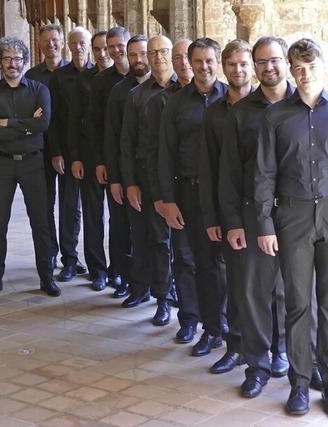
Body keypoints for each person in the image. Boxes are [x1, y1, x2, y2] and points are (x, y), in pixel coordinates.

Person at [254, 38, 328, 416]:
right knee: (299, 304)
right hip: (293, 218)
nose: (304, 73)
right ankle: (299, 383)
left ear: (322, 65)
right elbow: (264, 173)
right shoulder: (276, 116)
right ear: (290, 68)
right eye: (298, 66)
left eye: (311, 65)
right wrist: (265, 223)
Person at [219, 36, 292, 397]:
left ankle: (287, 355)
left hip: (296, 214)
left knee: (291, 291)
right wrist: (233, 220)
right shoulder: (242, 111)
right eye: (261, 62)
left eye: (274, 60)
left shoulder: (303, 105)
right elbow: (229, 171)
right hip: (250, 213)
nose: (269, 67)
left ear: (286, 62)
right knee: (253, 293)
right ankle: (258, 364)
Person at [158, 38, 227, 357]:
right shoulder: (176, 101)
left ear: (218, 61)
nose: (203, 66)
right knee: (187, 259)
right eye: (197, 61)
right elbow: (165, 152)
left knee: (221, 264)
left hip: (222, 194)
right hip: (186, 191)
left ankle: (222, 325)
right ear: (189, 62)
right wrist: (168, 199)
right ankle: (193, 321)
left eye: (209, 60)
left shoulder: (230, 98)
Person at [0, 36, 58, 297]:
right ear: (0, 62)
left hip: (33, 163)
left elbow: (43, 124)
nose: (12, 63)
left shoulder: (39, 90)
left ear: (25, 61)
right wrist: (25, 124)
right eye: (7, 58)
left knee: (41, 222)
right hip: (1, 164)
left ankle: (46, 277)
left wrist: (7, 123)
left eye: (17, 58)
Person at [198, 40, 254, 375]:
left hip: (263, 210)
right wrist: (212, 215)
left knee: (268, 286)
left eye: (243, 64)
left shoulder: (269, 108)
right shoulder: (214, 112)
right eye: (231, 64)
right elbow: (208, 167)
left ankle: (273, 348)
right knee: (233, 282)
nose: (237, 70)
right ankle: (235, 346)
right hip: (227, 208)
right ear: (224, 66)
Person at [119, 35, 177, 322]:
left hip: (182, 178)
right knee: (155, 239)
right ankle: (162, 298)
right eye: (152, 52)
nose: (158, 57)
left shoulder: (185, 90)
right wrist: (130, 182)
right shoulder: (137, 95)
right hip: (148, 177)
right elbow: (127, 142)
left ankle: (181, 295)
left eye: (163, 51)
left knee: (182, 244)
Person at [146, 39, 199, 345]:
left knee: (213, 262)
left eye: (183, 56)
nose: (181, 62)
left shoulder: (221, 96)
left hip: (212, 193)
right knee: (182, 257)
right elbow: (157, 152)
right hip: (177, 190)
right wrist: (162, 196)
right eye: (176, 57)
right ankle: (187, 318)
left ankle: (217, 322)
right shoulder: (164, 101)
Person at [104, 34, 150, 304]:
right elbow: (112, 136)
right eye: (133, 55)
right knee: (126, 228)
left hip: (158, 174)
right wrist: (115, 177)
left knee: (157, 236)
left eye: (142, 54)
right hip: (127, 170)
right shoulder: (120, 91)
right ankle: (133, 282)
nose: (138, 60)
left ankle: (164, 289)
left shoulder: (168, 89)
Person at [68, 30, 112, 291]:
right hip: (89, 154)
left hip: (115, 157)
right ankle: (98, 269)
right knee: (93, 215)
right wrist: (75, 157)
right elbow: (74, 121)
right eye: (97, 49)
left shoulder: (127, 80)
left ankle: (120, 268)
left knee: (118, 219)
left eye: (106, 47)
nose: (103, 53)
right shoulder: (83, 80)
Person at [48, 26, 92, 281]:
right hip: (67, 149)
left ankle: (99, 264)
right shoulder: (59, 77)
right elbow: (53, 120)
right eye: (74, 43)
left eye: (82, 43)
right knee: (69, 207)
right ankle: (70, 260)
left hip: (94, 152)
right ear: (68, 45)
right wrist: (56, 152)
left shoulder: (100, 75)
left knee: (94, 210)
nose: (78, 47)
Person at [24, 24, 69, 275]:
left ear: (61, 42)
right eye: (45, 41)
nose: (50, 44)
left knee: (70, 206)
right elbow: (31, 115)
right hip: (41, 150)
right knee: (45, 205)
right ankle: (50, 253)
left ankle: (70, 257)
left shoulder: (77, 72)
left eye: (54, 40)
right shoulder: (31, 76)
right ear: (39, 45)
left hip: (69, 150)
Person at [89, 26, 131, 294]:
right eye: (111, 46)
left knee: (136, 221)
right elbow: (94, 125)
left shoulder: (144, 77)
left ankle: (142, 276)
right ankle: (117, 272)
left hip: (137, 160)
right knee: (116, 218)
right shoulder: (102, 81)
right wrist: (101, 161)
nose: (115, 50)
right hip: (112, 156)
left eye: (119, 45)